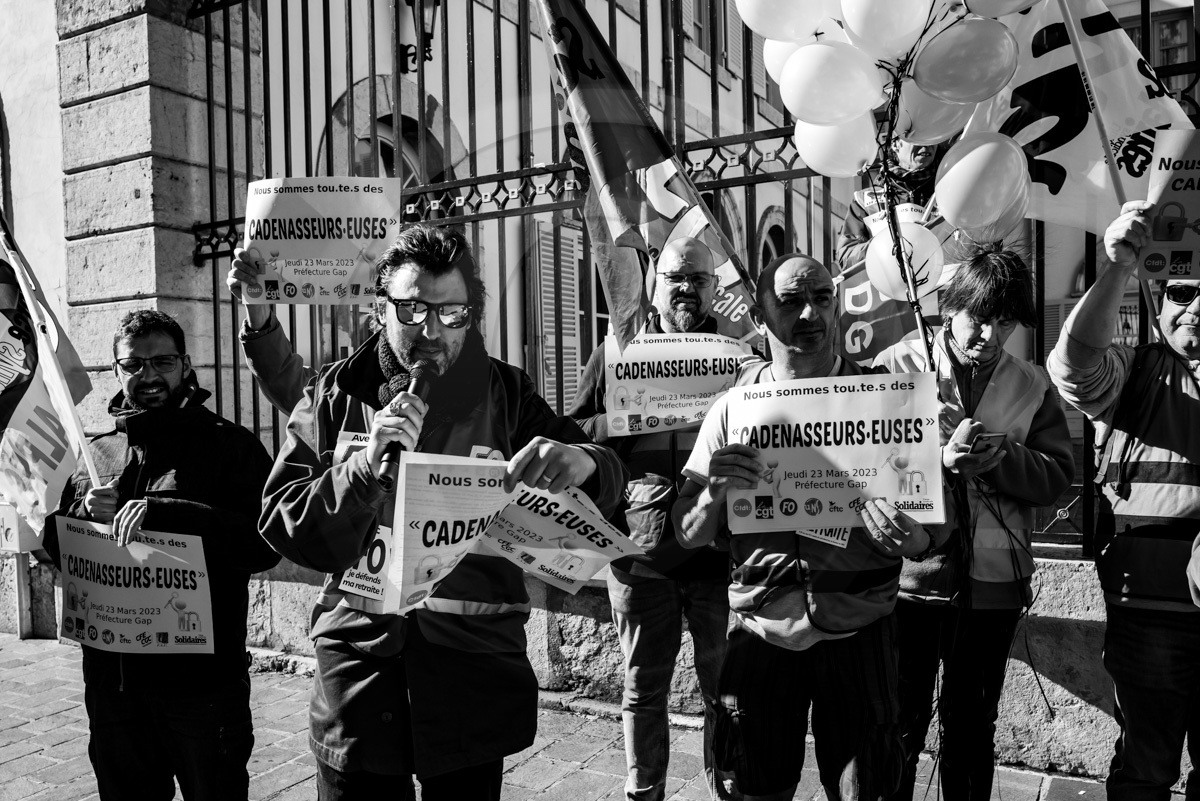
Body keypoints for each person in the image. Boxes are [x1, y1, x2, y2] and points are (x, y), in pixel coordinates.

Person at [256, 224, 627, 801]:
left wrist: (585, 462)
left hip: (472, 672)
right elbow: (283, 521)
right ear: (380, 308)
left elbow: (607, 477)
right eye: (412, 310)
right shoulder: (334, 394)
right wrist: (361, 471)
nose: (431, 330)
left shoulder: (508, 394)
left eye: (452, 313)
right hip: (358, 676)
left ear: (472, 315)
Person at [672, 253, 934, 801]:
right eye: (791, 301)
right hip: (760, 633)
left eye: (821, 297)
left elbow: (931, 533)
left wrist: (910, 538)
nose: (810, 313)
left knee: (869, 792)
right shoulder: (732, 410)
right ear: (759, 314)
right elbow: (687, 532)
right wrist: (715, 491)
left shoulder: (888, 400)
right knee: (752, 791)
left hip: (860, 631)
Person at [43, 310, 280, 800]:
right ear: (116, 370)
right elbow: (59, 548)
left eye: (162, 362)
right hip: (114, 689)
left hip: (201, 688)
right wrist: (81, 516)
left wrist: (170, 514)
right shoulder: (97, 454)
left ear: (185, 365)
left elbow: (263, 545)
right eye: (133, 365)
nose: (148, 375)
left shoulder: (230, 446)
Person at [874, 249, 1074, 801]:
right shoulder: (897, 364)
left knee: (971, 727)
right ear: (950, 307)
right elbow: (864, 469)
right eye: (979, 318)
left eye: (1005, 323)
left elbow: (1056, 478)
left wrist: (993, 453)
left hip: (994, 588)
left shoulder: (1032, 384)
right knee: (898, 724)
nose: (990, 335)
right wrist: (938, 458)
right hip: (908, 585)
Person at [568, 237, 740, 801]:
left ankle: (728, 790)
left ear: (714, 287)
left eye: (698, 278)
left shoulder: (740, 359)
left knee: (727, 694)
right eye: (675, 277)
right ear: (653, 284)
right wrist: (623, 418)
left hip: (719, 555)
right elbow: (573, 434)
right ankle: (644, 793)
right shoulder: (615, 353)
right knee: (643, 692)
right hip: (638, 556)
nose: (687, 288)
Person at [1048, 200, 1200, 801]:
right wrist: (1117, 267)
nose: (1195, 306)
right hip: (1151, 616)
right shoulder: (1134, 371)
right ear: (1159, 301)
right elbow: (1074, 367)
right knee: (1145, 772)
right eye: (1181, 292)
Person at [835, 139, 941, 366]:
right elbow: (846, 256)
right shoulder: (865, 200)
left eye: (933, 139)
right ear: (895, 144)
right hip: (890, 314)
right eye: (917, 138)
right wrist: (889, 243)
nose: (927, 145)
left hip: (942, 308)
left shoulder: (949, 188)